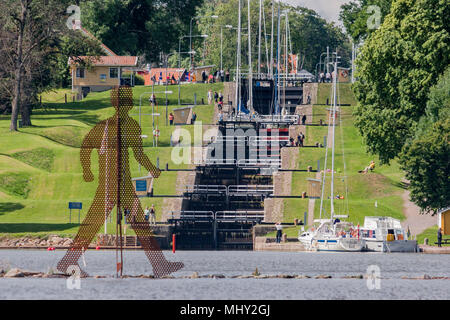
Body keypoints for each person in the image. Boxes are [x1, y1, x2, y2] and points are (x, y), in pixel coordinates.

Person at [56, 86, 183, 278]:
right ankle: (68, 261)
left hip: (122, 182)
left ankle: (159, 265)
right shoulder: (106, 126)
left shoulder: (129, 126)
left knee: (139, 222)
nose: (127, 105)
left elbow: (139, 154)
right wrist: (87, 170)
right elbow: (86, 147)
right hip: (109, 182)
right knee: (94, 222)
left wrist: (152, 169)